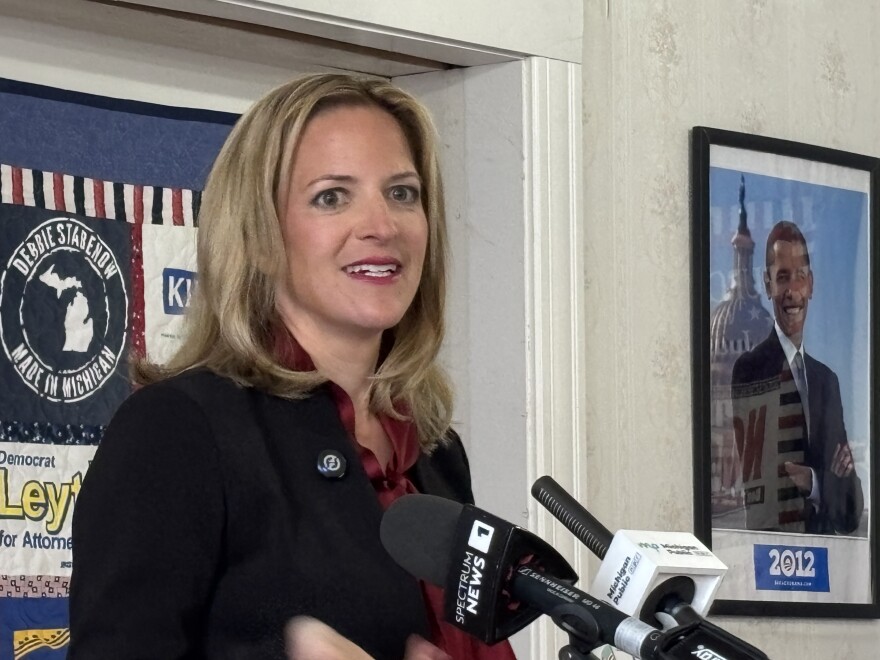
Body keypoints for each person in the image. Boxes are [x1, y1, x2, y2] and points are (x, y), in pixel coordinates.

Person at [69, 73, 518, 660]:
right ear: (258, 238)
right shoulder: (179, 429)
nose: (382, 225)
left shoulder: (436, 453)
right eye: (332, 197)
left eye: (402, 193)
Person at [731, 220, 863, 535]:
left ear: (811, 285)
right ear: (767, 285)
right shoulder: (750, 370)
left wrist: (813, 481)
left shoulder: (827, 382)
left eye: (800, 276)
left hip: (824, 557)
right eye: (782, 278)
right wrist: (828, 480)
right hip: (771, 554)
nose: (792, 292)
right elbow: (769, 488)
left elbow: (850, 511)